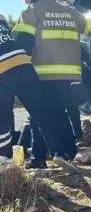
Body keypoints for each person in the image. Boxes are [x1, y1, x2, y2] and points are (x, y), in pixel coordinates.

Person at [12, 0, 91, 169]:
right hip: (70, 77)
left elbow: (23, 45)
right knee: (60, 112)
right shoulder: (71, 13)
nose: (25, 0)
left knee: (39, 116)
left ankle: (38, 159)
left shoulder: (31, 12)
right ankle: (67, 153)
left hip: (42, 75)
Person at [0, 14, 77, 172]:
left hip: (2, 68)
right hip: (23, 64)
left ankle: (5, 160)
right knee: (41, 111)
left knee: (4, 115)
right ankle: (59, 152)